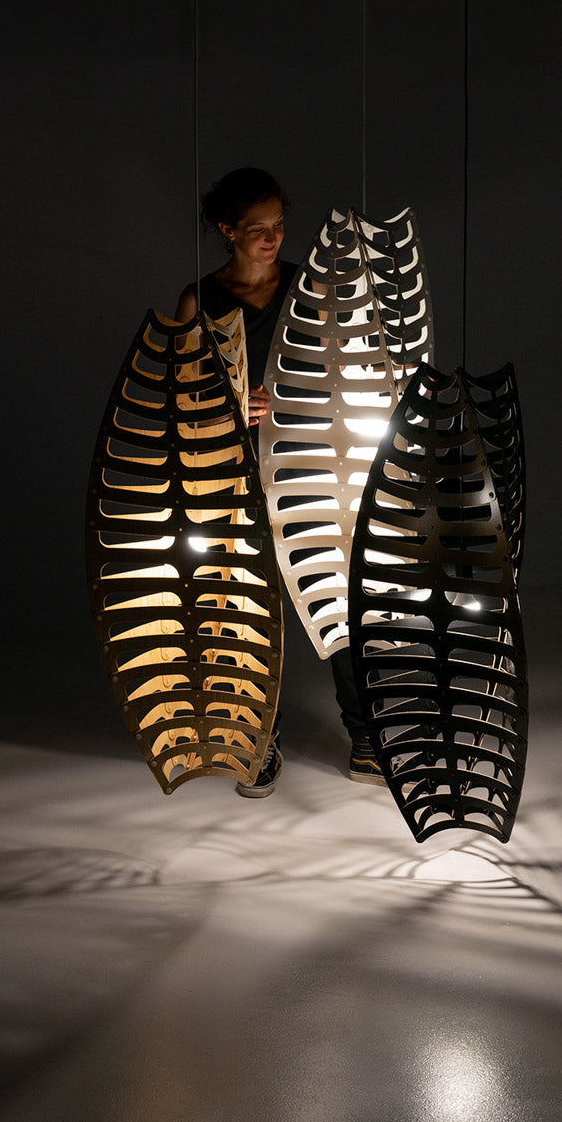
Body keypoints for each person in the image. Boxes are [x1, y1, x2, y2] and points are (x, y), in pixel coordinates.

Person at [175, 167, 385, 798]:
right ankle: (257, 739)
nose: (272, 238)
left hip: (310, 466)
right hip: (232, 473)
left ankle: (367, 739)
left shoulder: (307, 288)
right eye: (258, 229)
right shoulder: (200, 300)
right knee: (247, 607)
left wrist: (296, 401)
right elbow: (180, 397)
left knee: (338, 600)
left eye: (279, 225)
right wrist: (233, 400)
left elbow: (346, 371)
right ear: (227, 229)